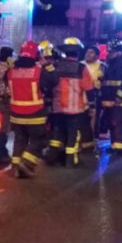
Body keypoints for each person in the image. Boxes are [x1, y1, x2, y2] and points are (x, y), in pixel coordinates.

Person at [8, 41, 55, 178]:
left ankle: (16, 167)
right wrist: (47, 64)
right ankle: (27, 163)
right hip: (35, 114)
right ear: (36, 55)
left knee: (20, 140)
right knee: (38, 140)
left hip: (16, 114)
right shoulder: (39, 72)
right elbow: (54, 81)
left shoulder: (11, 71)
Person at [46, 38, 94, 167]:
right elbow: (89, 89)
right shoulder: (82, 68)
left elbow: (49, 86)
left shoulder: (56, 66)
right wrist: (92, 106)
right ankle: (70, 161)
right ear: (78, 53)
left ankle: (52, 157)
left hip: (58, 107)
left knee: (57, 132)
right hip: (75, 109)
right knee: (73, 134)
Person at [82, 45, 106, 152]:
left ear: (97, 55)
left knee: (93, 118)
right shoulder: (80, 65)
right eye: (87, 52)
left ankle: (93, 140)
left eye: (91, 52)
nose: (88, 54)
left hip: (95, 94)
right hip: (80, 94)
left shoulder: (102, 66)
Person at [0, 46, 14, 162]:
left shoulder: (5, 66)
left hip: (7, 100)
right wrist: (12, 66)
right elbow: (8, 77)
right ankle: (1, 153)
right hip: (4, 101)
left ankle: (1, 152)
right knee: (3, 128)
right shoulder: (1, 68)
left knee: (6, 127)